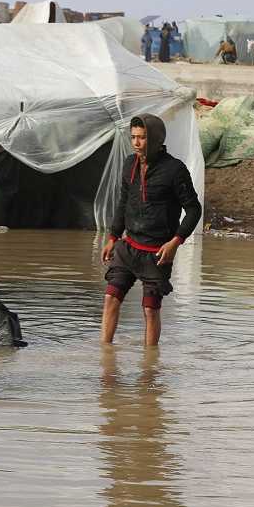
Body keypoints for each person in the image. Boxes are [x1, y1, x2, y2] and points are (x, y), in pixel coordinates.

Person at [100, 114, 202, 346]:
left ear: (155, 139)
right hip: (127, 249)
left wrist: (175, 243)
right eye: (133, 137)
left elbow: (194, 210)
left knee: (150, 310)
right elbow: (123, 202)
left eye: (142, 137)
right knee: (110, 299)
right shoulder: (129, 164)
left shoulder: (175, 170)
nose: (136, 143)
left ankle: (149, 370)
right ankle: (105, 360)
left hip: (157, 254)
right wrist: (113, 237)